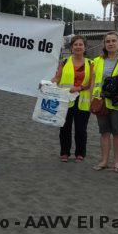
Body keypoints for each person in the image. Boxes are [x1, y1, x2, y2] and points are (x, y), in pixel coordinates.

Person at [51, 35, 93, 163]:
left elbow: (91, 83)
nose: (78, 47)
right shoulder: (64, 62)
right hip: (65, 100)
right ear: (71, 47)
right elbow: (57, 78)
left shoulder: (90, 63)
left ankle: (80, 153)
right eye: (75, 44)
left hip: (83, 101)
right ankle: (65, 153)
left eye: (81, 44)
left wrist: (79, 88)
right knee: (64, 128)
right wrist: (49, 83)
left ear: (85, 47)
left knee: (81, 129)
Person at [91, 32, 118, 173]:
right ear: (104, 44)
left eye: (113, 41)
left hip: (117, 101)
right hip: (101, 101)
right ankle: (104, 160)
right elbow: (94, 81)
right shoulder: (98, 60)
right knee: (104, 132)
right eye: (108, 41)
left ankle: (117, 162)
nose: (111, 43)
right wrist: (91, 98)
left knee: (117, 132)